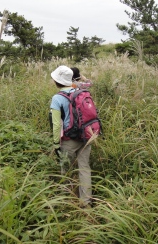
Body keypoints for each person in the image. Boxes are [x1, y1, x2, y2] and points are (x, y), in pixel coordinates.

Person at [50, 65, 92, 207]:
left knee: (66, 171)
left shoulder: (57, 98)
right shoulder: (80, 90)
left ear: (56, 81)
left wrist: (56, 144)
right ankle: (86, 203)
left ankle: (67, 203)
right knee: (84, 168)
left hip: (69, 139)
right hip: (86, 135)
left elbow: (56, 125)